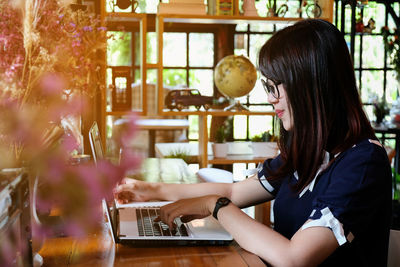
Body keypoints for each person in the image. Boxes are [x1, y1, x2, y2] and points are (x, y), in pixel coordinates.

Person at [114, 19, 392, 266]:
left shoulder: (363, 163)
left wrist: (214, 205)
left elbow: (295, 258)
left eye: (274, 87)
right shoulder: (310, 150)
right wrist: (150, 190)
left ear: (312, 84)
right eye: (266, 86)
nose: (270, 98)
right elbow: (235, 192)